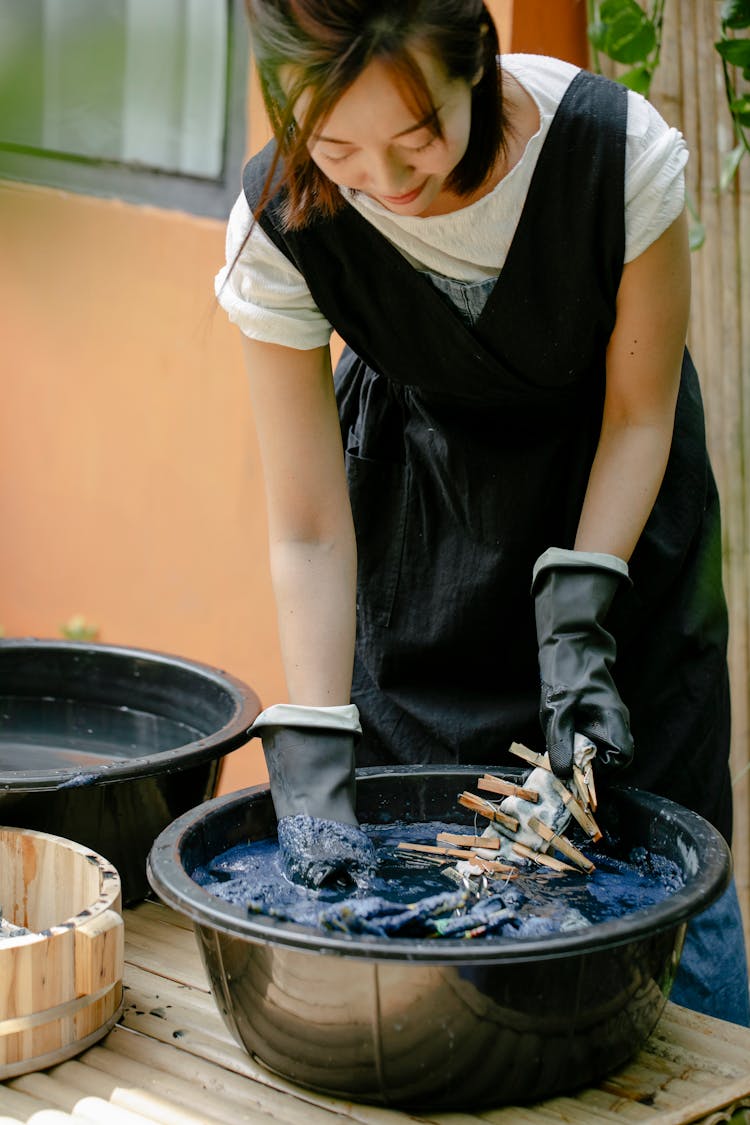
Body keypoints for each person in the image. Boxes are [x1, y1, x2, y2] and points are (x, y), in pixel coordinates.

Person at [216, 0, 749, 1025]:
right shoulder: (280, 223)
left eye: (417, 137)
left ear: (476, 57)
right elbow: (311, 526)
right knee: (426, 915)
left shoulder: (616, 156)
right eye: (337, 147)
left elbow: (640, 417)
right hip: (422, 554)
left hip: (617, 538)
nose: (384, 179)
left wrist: (582, 621)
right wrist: (323, 740)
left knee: (662, 875)